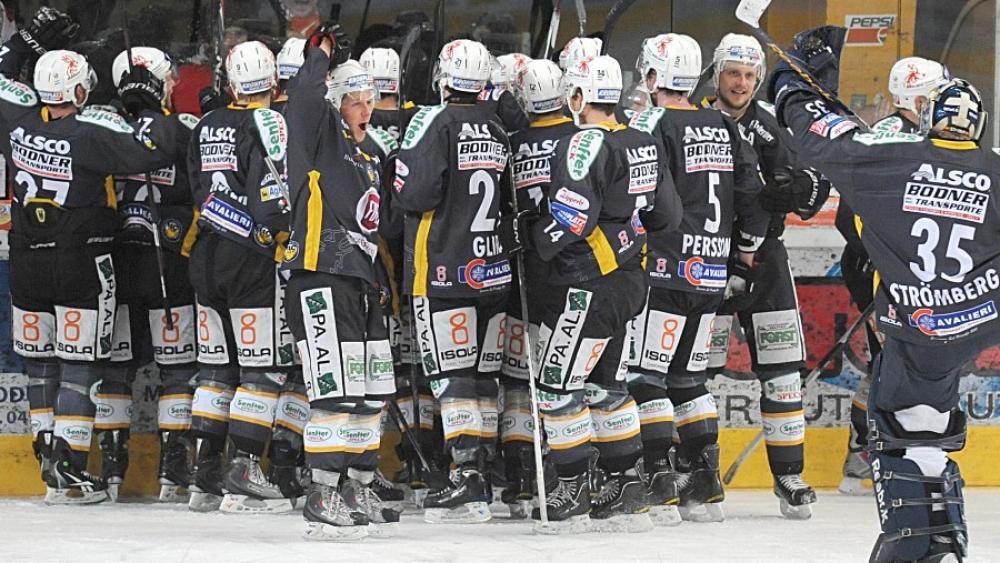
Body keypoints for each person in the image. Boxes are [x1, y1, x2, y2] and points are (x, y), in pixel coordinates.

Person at [767, 25, 997, 562]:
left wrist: (792, 79)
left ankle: (917, 543)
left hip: (915, 320)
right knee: (928, 420)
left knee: (895, 426)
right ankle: (942, 536)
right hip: (971, 323)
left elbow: (816, 133)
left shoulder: (893, 155)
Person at [1, 8, 180, 504]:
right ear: (80, 92)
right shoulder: (92, 132)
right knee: (81, 364)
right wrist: (146, 103)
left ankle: (47, 460)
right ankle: (70, 468)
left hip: (26, 261)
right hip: (80, 261)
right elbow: (157, 149)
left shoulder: (15, 119)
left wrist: (24, 42)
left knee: (39, 363)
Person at [514, 53, 683, 533]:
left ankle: (571, 491)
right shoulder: (642, 139)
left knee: (557, 387)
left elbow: (572, 217)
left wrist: (532, 239)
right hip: (630, 281)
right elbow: (667, 216)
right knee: (608, 386)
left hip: (586, 283)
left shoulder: (583, 141)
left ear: (578, 96)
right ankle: (626, 487)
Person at [627, 33, 767, 525]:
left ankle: (660, 480)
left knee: (645, 375)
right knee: (688, 378)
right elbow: (754, 197)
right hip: (708, 274)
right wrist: (743, 252)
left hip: (663, 269)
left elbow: (646, 197)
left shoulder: (650, 122)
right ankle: (704, 482)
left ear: (653, 76)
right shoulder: (724, 124)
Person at [282, 26, 398, 541]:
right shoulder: (317, 135)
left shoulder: (370, 155)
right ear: (335, 103)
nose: (365, 109)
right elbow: (304, 98)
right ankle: (322, 492)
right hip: (321, 277)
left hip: (361, 283)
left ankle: (356, 485)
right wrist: (321, 54)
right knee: (335, 394)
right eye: (354, 100)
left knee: (371, 394)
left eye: (369, 99)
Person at [703, 33, 822, 518]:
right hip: (705, 259)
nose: (742, 83)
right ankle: (697, 472)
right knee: (692, 375)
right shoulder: (691, 121)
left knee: (783, 372)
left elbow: (813, 188)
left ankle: (789, 475)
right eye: (733, 73)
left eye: (750, 75)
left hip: (765, 260)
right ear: (716, 74)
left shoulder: (771, 122)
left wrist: (796, 188)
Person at [394, 38, 511, 524]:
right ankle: (482, 471)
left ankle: (466, 478)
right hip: (494, 270)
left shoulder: (433, 120)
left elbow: (414, 194)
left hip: (442, 269)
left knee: (451, 375)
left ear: (443, 77)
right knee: (483, 378)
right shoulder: (498, 126)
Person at [185, 40, 293, 514]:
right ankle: (245, 471)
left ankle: (206, 475)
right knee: (260, 369)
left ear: (231, 85)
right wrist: (282, 233)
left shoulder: (205, 123)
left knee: (216, 370)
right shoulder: (268, 121)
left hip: (206, 255)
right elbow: (271, 198)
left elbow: (196, 187)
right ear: (273, 82)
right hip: (250, 258)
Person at [835, 56, 949, 496]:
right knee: (895, 365)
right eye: (937, 95)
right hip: (878, 271)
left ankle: (870, 454)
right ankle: (870, 456)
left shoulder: (913, 136)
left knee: (893, 364)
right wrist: (887, 259)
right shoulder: (889, 141)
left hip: (895, 272)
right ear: (918, 101)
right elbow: (849, 217)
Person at [97, 46, 201, 503]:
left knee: (117, 366)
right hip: (167, 263)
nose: (176, 82)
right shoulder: (183, 128)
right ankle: (173, 470)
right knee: (177, 368)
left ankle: (111, 469)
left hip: (116, 266)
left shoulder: (100, 125)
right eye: (170, 77)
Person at [499, 57, 577, 518]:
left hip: (523, 273)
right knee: (563, 378)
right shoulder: (581, 137)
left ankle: (521, 475)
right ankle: (563, 470)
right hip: (572, 272)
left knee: (518, 377)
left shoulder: (512, 142)